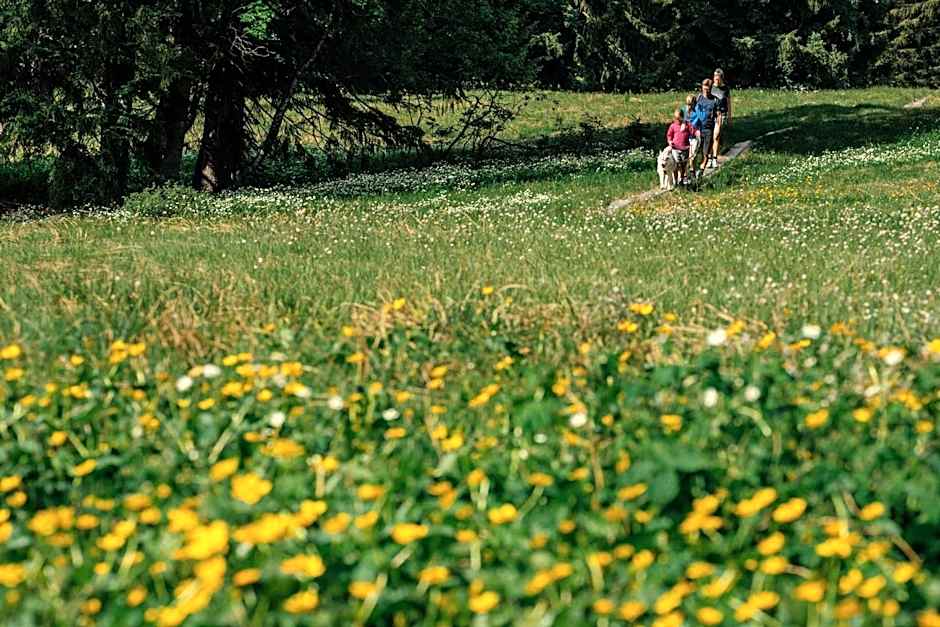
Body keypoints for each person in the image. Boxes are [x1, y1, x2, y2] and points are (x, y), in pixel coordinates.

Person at [666, 108, 697, 185]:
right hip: (675, 148)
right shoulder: (673, 126)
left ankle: (682, 178)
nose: (677, 120)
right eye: (675, 118)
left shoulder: (687, 125)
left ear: (682, 117)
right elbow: (669, 135)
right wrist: (670, 141)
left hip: (685, 148)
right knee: (676, 165)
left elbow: (693, 131)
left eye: (678, 118)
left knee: (683, 165)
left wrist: (696, 132)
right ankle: (676, 181)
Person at [695, 79, 719, 172]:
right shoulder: (698, 98)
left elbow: (718, 115)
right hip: (698, 129)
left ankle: (701, 171)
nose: (706, 90)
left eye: (708, 88)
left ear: (711, 88)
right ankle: (693, 171)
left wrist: (718, 127)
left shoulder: (714, 100)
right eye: (704, 88)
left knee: (705, 152)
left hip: (709, 129)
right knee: (696, 151)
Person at [710, 68, 733, 168]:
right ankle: (710, 157)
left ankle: (714, 158)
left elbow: (728, 103)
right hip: (711, 114)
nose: (716, 80)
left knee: (716, 135)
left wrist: (729, 116)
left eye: (718, 78)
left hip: (722, 114)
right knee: (711, 137)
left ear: (721, 78)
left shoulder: (725, 89)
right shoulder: (711, 87)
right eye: (715, 77)